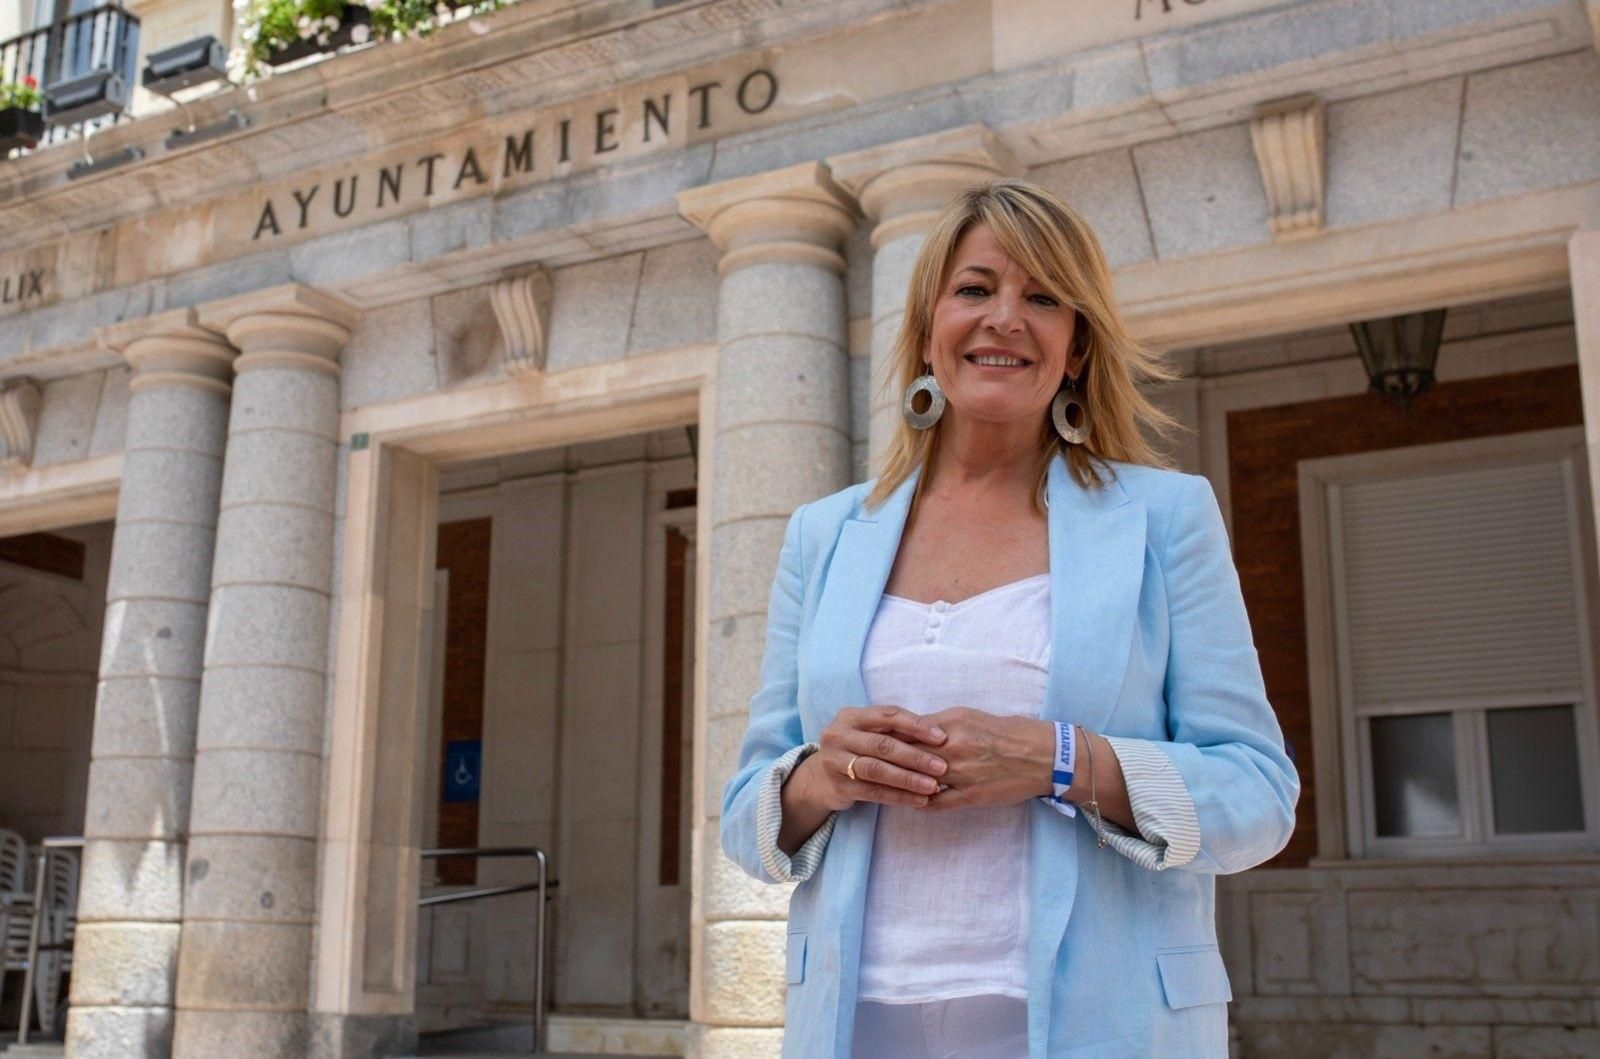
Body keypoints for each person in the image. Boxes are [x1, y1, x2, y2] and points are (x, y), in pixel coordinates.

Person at [719, 177, 1299, 1058]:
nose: (1004, 319)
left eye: (1043, 298)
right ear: (927, 331)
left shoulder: (1164, 518)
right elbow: (745, 817)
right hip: (856, 1022)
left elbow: (1257, 795)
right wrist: (823, 776)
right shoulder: (824, 535)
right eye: (975, 288)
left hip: (1099, 1023)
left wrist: (1060, 760)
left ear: (1077, 348)